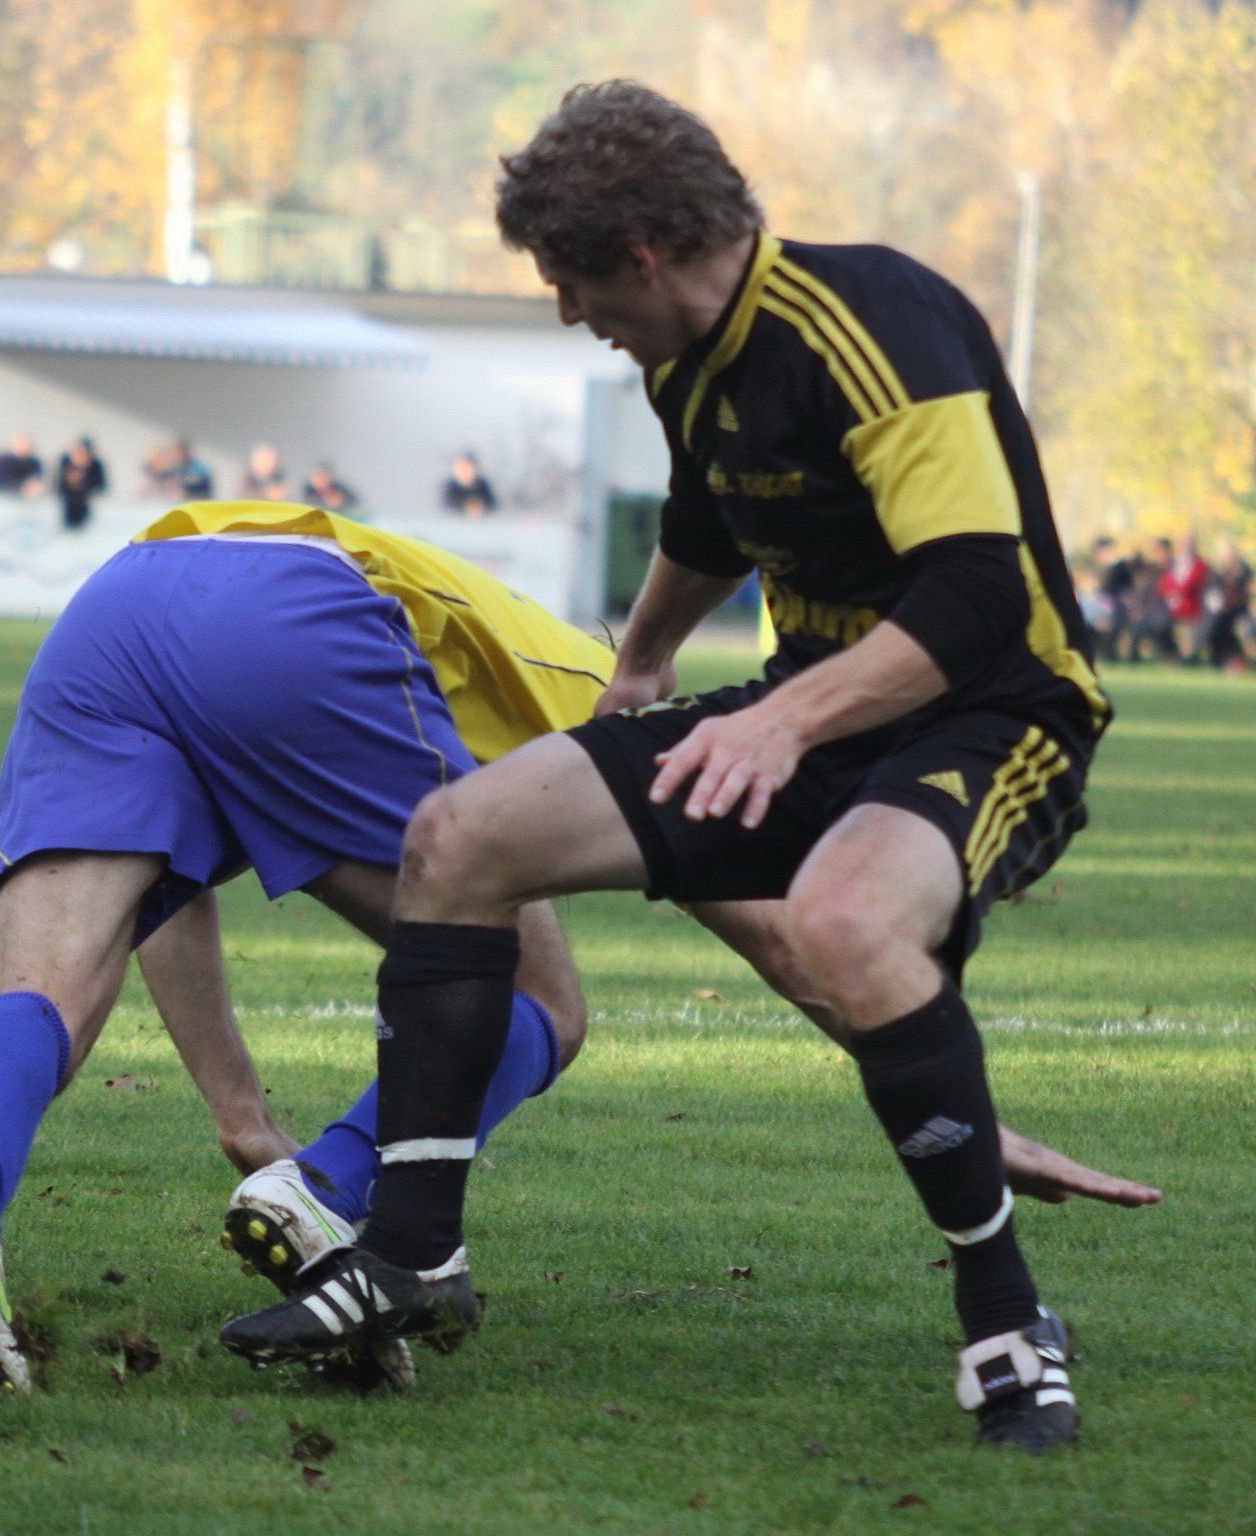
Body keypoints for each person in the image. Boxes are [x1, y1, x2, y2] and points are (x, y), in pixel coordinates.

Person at [225, 82, 1116, 1452]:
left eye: (571, 283)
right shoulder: (684, 355)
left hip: (995, 714)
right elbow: (710, 514)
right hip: (807, 707)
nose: (570, 314)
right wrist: (641, 666)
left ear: (639, 254)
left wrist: (781, 724)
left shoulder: (879, 327)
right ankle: (408, 1260)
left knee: (843, 921)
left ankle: (1009, 1326)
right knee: (458, 838)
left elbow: (979, 597)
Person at [0, 500, 1154, 1395]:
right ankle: (331, 1184)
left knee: (41, 994)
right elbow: (764, 917)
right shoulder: (582, 669)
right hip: (287, 610)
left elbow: (168, 905)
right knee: (540, 1000)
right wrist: (925, 1072)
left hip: (116, 603)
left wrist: (239, 1110)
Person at [1159, 534, 1210, 663]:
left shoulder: (1202, 567)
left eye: (1188, 544)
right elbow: (1163, 587)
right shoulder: (1171, 565)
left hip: (1193, 611)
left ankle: (1189, 658)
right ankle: (1169, 656)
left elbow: (1202, 590)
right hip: (1169, 612)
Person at [1205, 538, 1251, 671]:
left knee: (1239, 627)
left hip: (1239, 612)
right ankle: (1218, 659)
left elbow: (1246, 593)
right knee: (1213, 625)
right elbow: (1211, 593)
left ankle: (1237, 660)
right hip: (1220, 613)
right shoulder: (1216, 572)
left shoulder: (1244, 571)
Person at [55, 437, 106, 531]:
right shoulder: (65, 462)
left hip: (87, 508)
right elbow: (58, 486)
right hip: (68, 508)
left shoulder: (96, 466)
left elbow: (101, 487)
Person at [442, 452, 497, 517]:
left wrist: (480, 506)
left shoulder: (483, 485)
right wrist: (465, 507)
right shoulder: (450, 487)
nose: (464, 471)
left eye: (467, 467)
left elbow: (492, 504)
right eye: (461, 468)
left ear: (474, 469)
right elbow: (447, 506)